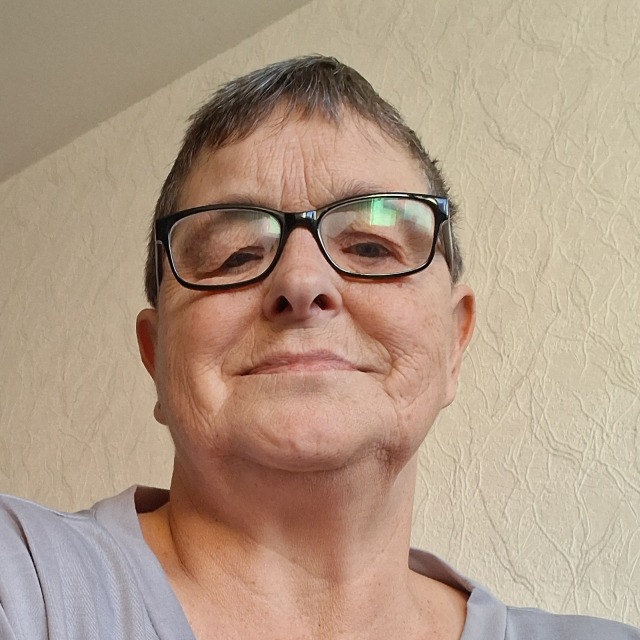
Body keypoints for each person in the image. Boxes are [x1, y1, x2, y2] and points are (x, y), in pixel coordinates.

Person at [0, 55, 637, 640]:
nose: (302, 282)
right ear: (155, 354)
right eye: (234, 255)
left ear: (454, 343)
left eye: (371, 247)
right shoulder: (22, 582)